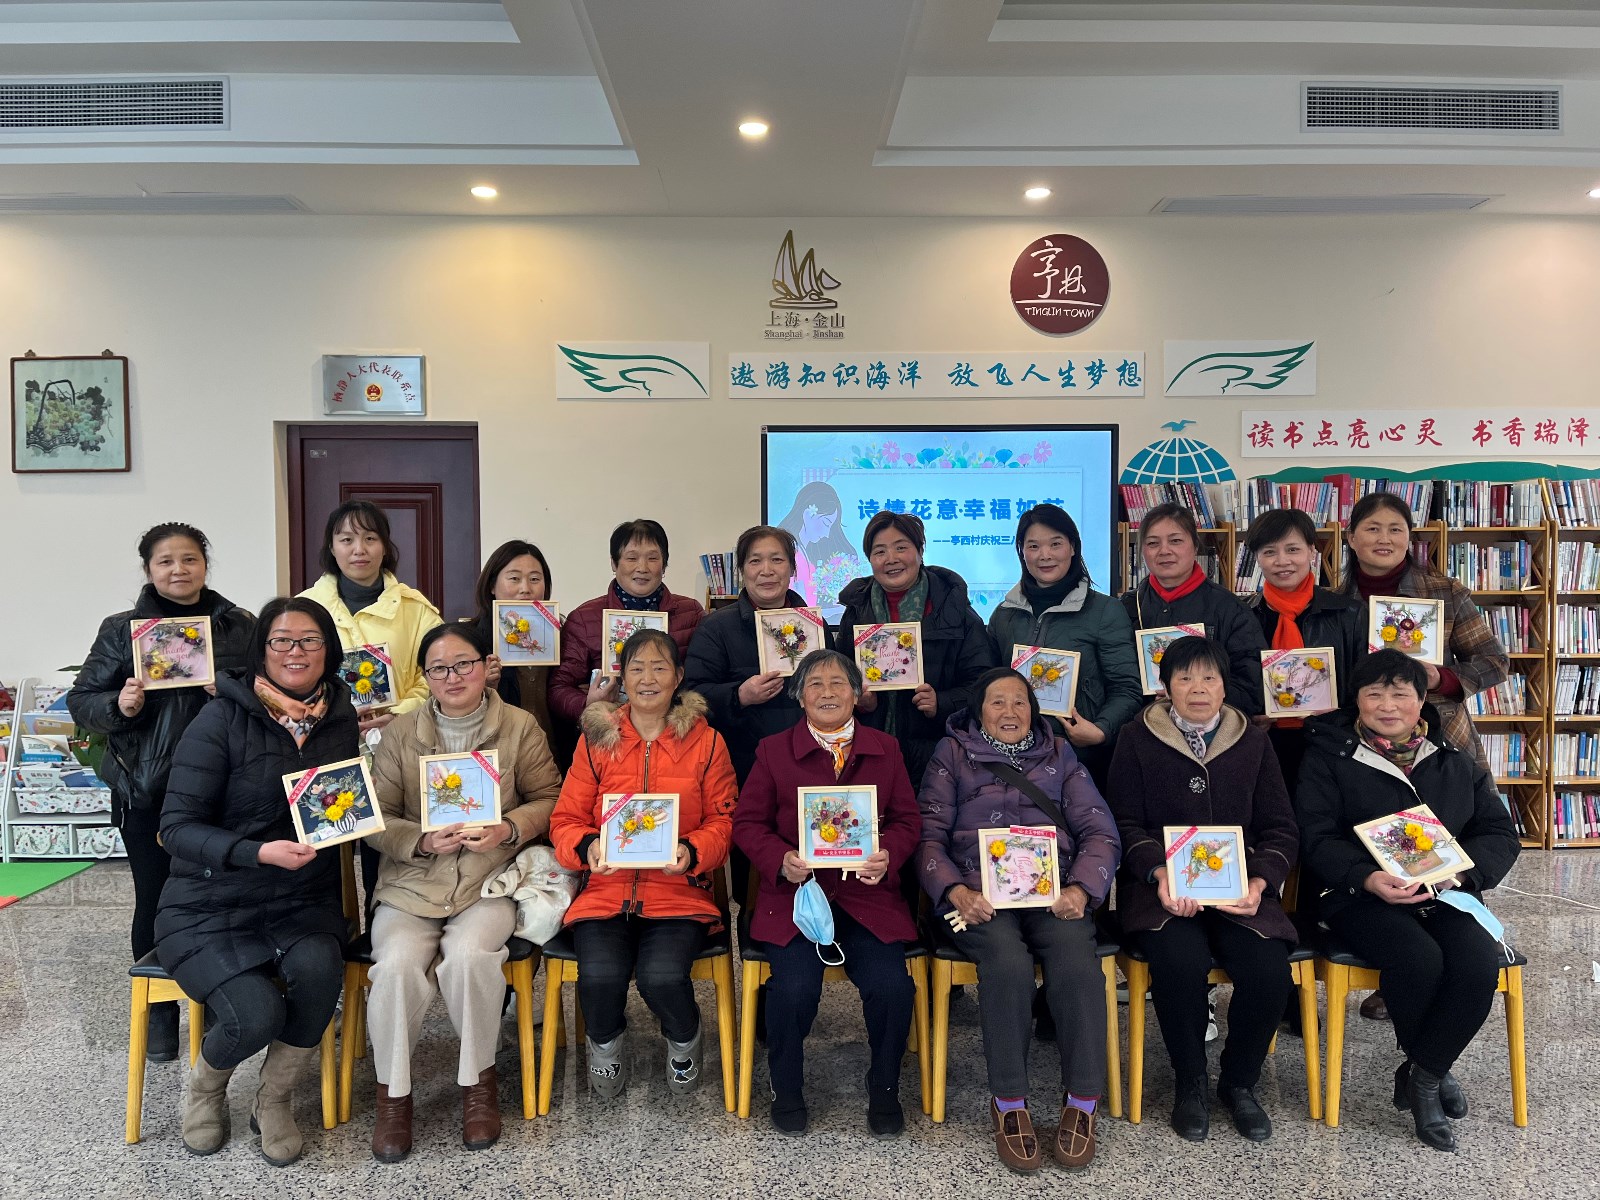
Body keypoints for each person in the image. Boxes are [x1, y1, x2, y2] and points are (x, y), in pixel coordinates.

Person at [154, 597, 357, 1166]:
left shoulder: (340, 720)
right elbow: (175, 829)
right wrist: (255, 852)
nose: (296, 652)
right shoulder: (220, 719)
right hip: (210, 902)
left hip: (301, 900)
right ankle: (205, 1089)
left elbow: (343, 808)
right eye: (281, 641)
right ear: (261, 650)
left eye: (310, 641)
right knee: (256, 1013)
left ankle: (274, 1099)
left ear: (329, 650)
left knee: (320, 973)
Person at [1297, 650, 1519, 1152]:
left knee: (1478, 963)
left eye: (1401, 694)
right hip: (1358, 895)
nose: (1388, 705)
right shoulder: (1329, 756)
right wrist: (1366, 877)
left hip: (1445, 892)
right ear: (1356, 700)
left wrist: (1462, 873)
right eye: (1374, 693)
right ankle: (1431, 1079)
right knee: (1418, 957)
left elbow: (1499, 832)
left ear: (1422, 702)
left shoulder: (1453, 759)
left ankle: (1424, 1072)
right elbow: (1314, 836)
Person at [363, 623, 561, 1161]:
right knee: (396, 965)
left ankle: (478, 1085)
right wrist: (420, 840)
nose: (452, 677)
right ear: (425, 676)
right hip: (411, 883)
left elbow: (550, 797)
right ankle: (393, 1097)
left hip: (487, 882)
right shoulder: (400, 733)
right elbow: (377, 817)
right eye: (438, 669)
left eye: (463, 664)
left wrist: (509, 828)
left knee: (471, 957)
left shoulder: (519, 726)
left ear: (485, 666)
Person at [918, 667, 1122, 1172]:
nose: (1009, 712)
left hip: (1053, 893)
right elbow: (928, 837)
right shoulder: (951, 754)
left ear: (1033, 710)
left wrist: (1082, 889)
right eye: (997, 702)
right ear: (978, 711)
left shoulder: (1060, 754)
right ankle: (1009, 1103)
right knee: (1006, 964)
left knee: (1076, 962)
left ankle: (1082, 1102)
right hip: (978, 897)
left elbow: (1100, 831)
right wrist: (956, 891)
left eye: (1019, 702)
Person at [67, 522, 255, 1063]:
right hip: (148, 787)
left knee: (223, 893)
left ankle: (222, 997)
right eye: (166, 561)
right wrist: (120, 705)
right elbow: (82, 700)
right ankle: (159, 1014)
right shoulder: (121, 630)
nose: (179, 570)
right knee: (154, 896)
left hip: (225, 786)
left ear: (205, 564)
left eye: (189, 559)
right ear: (149, 569)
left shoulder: (239, 625)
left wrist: (231, 689)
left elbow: (268, 689)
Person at [1106, 636, 1299, 1144]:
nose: (1198, 688)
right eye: (1185, 678)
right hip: (1164, 890)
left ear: (1224, 685)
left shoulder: (1253, 741)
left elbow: (1281, 828)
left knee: (1269, 970)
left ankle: (1239, 1082)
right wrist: (1157, 872)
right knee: (1179, 962)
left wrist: (1260, 881)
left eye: (1209, 678)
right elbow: (1123, 822)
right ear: (1165, 687)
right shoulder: (1136, 737)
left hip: (1240, 890)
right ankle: (1189, 1080)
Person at [1337, 492, 1510, 1024]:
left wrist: (1443, 678)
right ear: (1350, 537)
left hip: (1436, 738)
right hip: (1357, 741)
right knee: (1365, 842)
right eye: (1371, 528)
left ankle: (1439, 962)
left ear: (1411, 538)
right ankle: (1399, 964)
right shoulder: (1335, 598)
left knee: (1444, 841)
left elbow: (1495, 660)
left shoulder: (1444, 592)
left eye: (1395, 529)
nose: (1383, 539)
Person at [732, 649, 920, 1138]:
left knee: (892, 987)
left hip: (867, 897)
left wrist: (888, 854)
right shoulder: (773, 750)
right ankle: (786, 1086)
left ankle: (885, 1085)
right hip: (798, 897)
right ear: (800, 696)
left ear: (857, 694)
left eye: (839, 683)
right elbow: (747, 824)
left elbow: (907, 820)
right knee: (793, 988)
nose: (828, 692)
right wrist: (781, 860)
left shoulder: (886, 748)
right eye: (815, 684)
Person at [549, 629, 737, 1098]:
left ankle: (684, 1037)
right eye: (636, 668)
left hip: (679, 892)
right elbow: (565, 819)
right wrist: (588, 847)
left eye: (659, 668)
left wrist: (692, 851)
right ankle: (605, 1043)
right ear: (622, 678)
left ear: (678, 677)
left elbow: (725, 821)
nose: (647, 678)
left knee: (662, 977)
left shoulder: (708, 742)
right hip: (605, 890)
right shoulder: (596, 740)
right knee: (600, 976)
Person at [300, 500, 443, 908]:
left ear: (385, 546)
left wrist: (398, 712)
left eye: (369, 538)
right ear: (332, 547)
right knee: (325, 847)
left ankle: (381, 930)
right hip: (324, 741)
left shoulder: (416, 609)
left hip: (400, 744)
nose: (358, 549)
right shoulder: (305, 607)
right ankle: (334, 935)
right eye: (346, 539)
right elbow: (287, 673)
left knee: (389, 851)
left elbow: (437, 674)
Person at [835, 510, 996, 789]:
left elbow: (984, 685)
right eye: (880, 551)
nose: (891, 559)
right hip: (869, 751)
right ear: (870, 559)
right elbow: (837, 679)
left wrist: (941, 703)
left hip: (940, 755)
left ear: (920, 551)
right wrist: (858, 700)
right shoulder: (856, 613)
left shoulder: (955, 612)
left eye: (901, 548)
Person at [988, 503, 1142, 789]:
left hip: (1080, 760)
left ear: (1073, 547)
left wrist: (1100, 730)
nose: (1044, 555)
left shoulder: (1105, 610)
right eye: (1033, 546)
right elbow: (988, 685)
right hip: (1012, 759)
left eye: (1055, 544)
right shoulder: (1004, 615)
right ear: (1022, 552)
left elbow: (1126, 688)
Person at [547, 518, 705, 742]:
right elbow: (558, 688)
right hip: (609, 738)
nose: (642, 568)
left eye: (653, 558)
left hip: (674, 735)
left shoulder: (691, 613)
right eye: (631, 558)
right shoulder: (583, 618)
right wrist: (588, 703)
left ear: (664, 565)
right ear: (614, 563)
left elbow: (703, 679)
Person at [1241, 507, 1365, 789]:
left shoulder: (1349, 614)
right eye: (1269, 552)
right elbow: (1233, 680)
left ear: (1312, 551)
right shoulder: (1242, 616)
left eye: (1292, 549)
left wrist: (1335, 716)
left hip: (1333, 744)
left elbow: (1364, 685)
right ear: (1257, 558)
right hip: (1262, 745)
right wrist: (1248, 715)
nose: (1282, 561)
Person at [683, 525, 809, 785]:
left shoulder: (813, 626)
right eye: (755, 561)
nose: (767, 570)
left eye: (777, 560)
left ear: (792, 569)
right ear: (741, 570)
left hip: (806, 761)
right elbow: (691, 695)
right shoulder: (715, 628)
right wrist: (739, 695)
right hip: (741, 767)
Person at [1120, 503, 1266, 716]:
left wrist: (1196, 698)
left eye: (1175, 541)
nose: (1164, 551)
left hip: (1213, 729)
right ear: (1142, 551)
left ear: (1195, 546)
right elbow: (1116, 680)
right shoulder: (1127, 607)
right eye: (1152, 543)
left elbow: (1251, 687)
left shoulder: (1231, 609)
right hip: (1142, 725)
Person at [471, 538, 568, 765]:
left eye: (535, 579)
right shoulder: (470, 641)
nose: (526, 588)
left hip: (556, 756)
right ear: (492, 585)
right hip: (499, 759)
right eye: (514, 578)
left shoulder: (564, 635)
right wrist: (484, 687)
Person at [776, 480, 858, 609]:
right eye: (826, 523)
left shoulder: (804, 554)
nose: (827, 534)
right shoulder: (793, 555)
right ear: (807, 514)